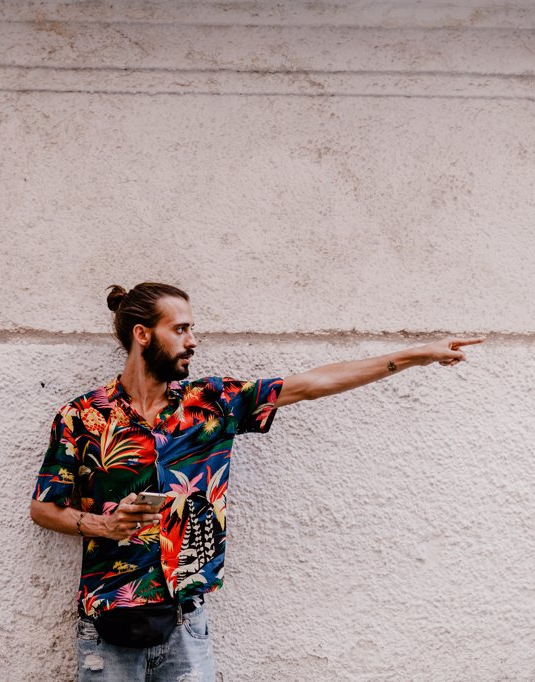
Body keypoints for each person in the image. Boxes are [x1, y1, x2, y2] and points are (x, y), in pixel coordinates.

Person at [29, 282, 483, 681]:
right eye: (181, 329)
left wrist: (414, 355)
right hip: (107, 621)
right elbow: (44, 508)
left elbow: (312, 384)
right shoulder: (82, 416)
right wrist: (105, 525)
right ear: (142, 334)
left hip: (187, 621)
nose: (193, 341)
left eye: (192, 329)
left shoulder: (213, 402)